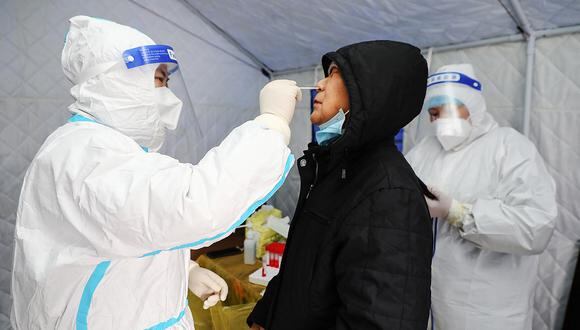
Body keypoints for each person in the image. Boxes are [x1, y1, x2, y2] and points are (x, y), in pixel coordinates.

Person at [10, 16, 301, 329]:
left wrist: (184, 271)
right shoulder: (87, 156)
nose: (168, 95)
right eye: (159, 80)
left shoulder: (111, 149)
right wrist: (271, 125)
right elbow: (194, 206)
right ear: (114, 80)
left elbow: (132, 231)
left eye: (168, 81)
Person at [248, 40, 433, 329]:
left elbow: (379, 319)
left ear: (370, 92)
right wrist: (266, 314)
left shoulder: (388, 194)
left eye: (334, 73)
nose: (320, 84)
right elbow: (304, 267)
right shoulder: (337, 168)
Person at [405, 64, 558, 330]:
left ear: (473, 105)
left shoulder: (509, 148)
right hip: (429, 304)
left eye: (450, 110)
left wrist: (458, 213)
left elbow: (536, 226)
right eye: (433, 113)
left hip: (488, 311)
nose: (441, 120)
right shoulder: (424, 151)